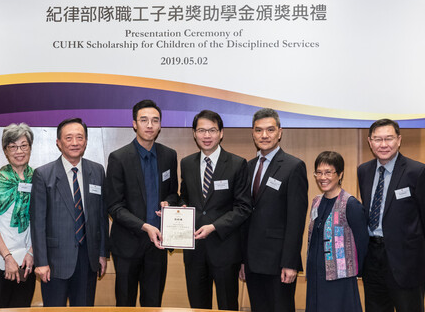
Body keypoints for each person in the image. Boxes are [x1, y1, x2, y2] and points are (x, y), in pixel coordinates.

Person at [358, 119, 425, 312]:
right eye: (378, 139)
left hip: (407, 262)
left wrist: (412, 246)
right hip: (372, 258)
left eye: (389, 138)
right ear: (370, 142)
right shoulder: (364, 171)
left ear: (399, 140)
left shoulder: (417, 172)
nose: (383, 144)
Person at [105, 99, 179, 307]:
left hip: (158, 245)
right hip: (127, 245)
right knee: (125, 303)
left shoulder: (169, 155)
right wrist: (144, 226)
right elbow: (114, 206)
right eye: (144, 120)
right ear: (134, 124)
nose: (149, 125)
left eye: (155, 120)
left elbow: (173, 193)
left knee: (153, 303)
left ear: (160, 125)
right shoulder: (118, 158)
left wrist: (169, 203)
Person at [30, 118, 108, 306]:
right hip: (54, 262)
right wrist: (41, 262)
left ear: (86, 142)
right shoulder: (43, 174)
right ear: (58, 142)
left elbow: (102, 217)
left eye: (80, 137)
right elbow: (38, 222)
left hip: (88, 259)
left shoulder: (97, 171)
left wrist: (103, 253)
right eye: (69, 138)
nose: (75, 143)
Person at [179, 110, 251, 310]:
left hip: (225, 250)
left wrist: (214, 226)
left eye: (212, 130)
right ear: (194, 133)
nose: (207, 135)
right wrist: (180, 208)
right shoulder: (186, 163)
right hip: (194, 251)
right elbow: (184, 196)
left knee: (227, 306)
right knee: (198, 306)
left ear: (221, 133)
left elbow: (243, 207)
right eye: (201, 130)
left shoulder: (237, 164)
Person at [240, 108, 308, 312]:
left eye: (270, 130)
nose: (264, 135)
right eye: (259, 130)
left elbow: (296, 220)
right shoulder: (248, 167)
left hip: (279, 263)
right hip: (252, 262)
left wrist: (290, 262)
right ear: (252, 133)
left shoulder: (293, 166)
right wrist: (242, 260)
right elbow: (244, 215)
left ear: (280, 132)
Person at [0, 123, 36, 308]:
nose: (18, 151)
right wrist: (8, 257)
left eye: (23, 145)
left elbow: (42, 221)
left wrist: (32, 252)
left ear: (30, 147)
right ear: (5, 150)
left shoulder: (38, 179)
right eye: (12, 146)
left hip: (27, 261)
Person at [306, 151, 369, 312]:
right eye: (318, 172)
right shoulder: (316, 201)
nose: (322, 177)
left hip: (340, 278)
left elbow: (362, 243)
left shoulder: (350, 204)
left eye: (328, 172)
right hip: (316, 274)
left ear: (340, 174)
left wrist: (357, 271)